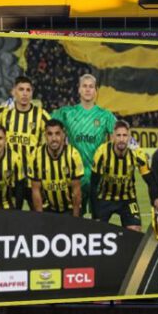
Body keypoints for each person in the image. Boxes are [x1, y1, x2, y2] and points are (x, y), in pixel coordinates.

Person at [52, 73, 117, 216]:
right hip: (74, 176)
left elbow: (117, 141)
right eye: (84, 86)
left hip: (98, 177)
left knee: (99, 221)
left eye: (91, 87)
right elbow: (45, 123)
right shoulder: (67, 113)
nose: (88, 90)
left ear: (96, 91)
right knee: (75, 220)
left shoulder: (106, 116)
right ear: (79, 89)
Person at [0, 76, 52, 209]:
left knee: (38, 221)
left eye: (28, 90)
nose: (25, 93)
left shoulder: (42, 115)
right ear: (13, 92)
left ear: (32, 93)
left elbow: (56, 137)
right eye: (21, 89)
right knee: (10, 222)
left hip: (34, 180)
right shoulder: (3, 113)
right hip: (8, 179)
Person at [92, 120, 151, 231]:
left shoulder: (137, 153)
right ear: (113, 136)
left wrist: (156, 200)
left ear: (129, 137)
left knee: (135, 232)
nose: (121, 139)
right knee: (97, 232)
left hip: (127, 199)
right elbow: (94, 184)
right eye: (118, 135)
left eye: (124, 135)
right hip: (105, 198)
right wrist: (95, 211)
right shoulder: (102, 153)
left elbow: (150, 180)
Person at [29, 119, 84, 216]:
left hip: (69, 209)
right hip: (48, 209)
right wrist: (40, 218)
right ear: (45, 135)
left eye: (57, 133)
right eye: (50, 134)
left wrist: (76, 220)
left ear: (63, 135)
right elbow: (36, 191)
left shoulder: (73, 155)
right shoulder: (36, 155)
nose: (54, 138)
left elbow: (76, 191)